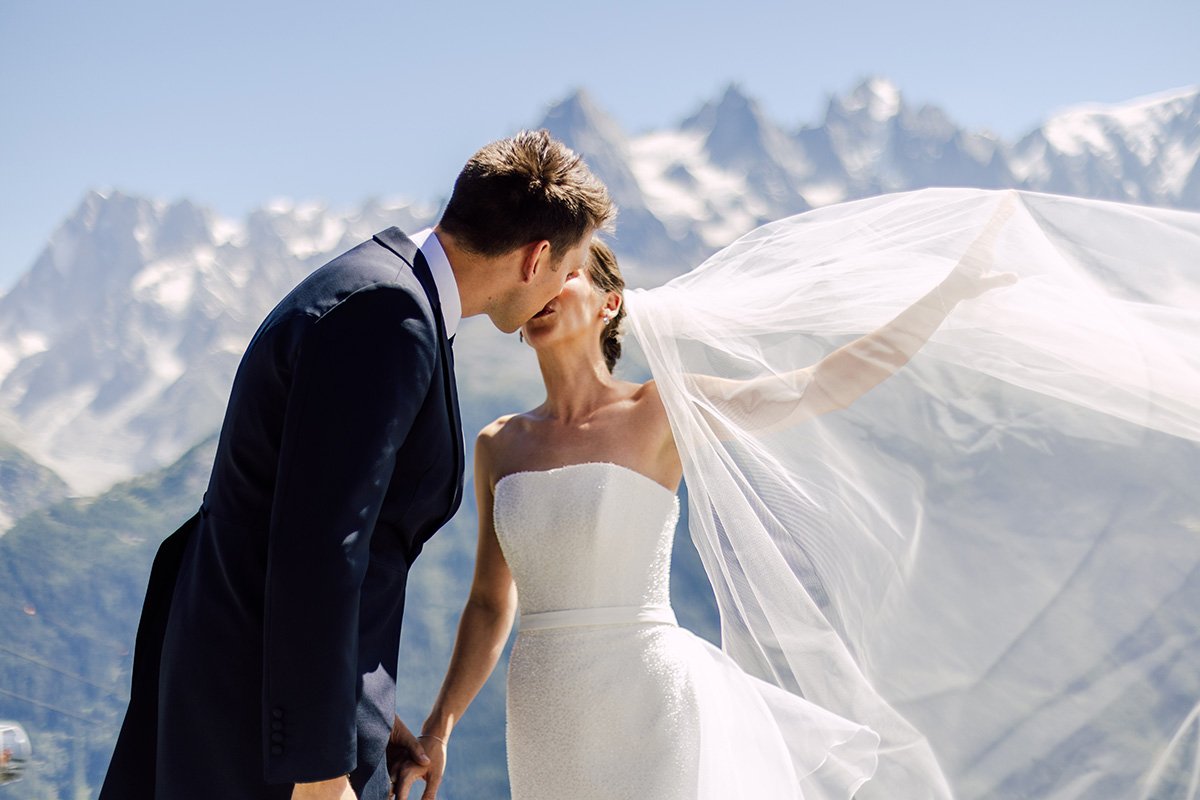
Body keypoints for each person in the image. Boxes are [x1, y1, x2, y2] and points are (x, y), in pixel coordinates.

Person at [396, 189, 1200, 799]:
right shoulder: (500, 443)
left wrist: (947, 294)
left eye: (569, 278)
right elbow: (489, 607)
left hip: (647, 694)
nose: (544, 293)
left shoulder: (664, 410)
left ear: (610, 305)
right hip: (543, 706)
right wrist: (440, 726)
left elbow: (823, 385)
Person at [99, 130, 614, 800]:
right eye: (569, 268)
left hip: (257, 699)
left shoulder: (387, 290)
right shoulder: (389, 316)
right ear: (535, 256)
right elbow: (320, 548)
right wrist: (320, 766)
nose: (561, 290)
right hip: (257, 740)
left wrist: (365, 715)